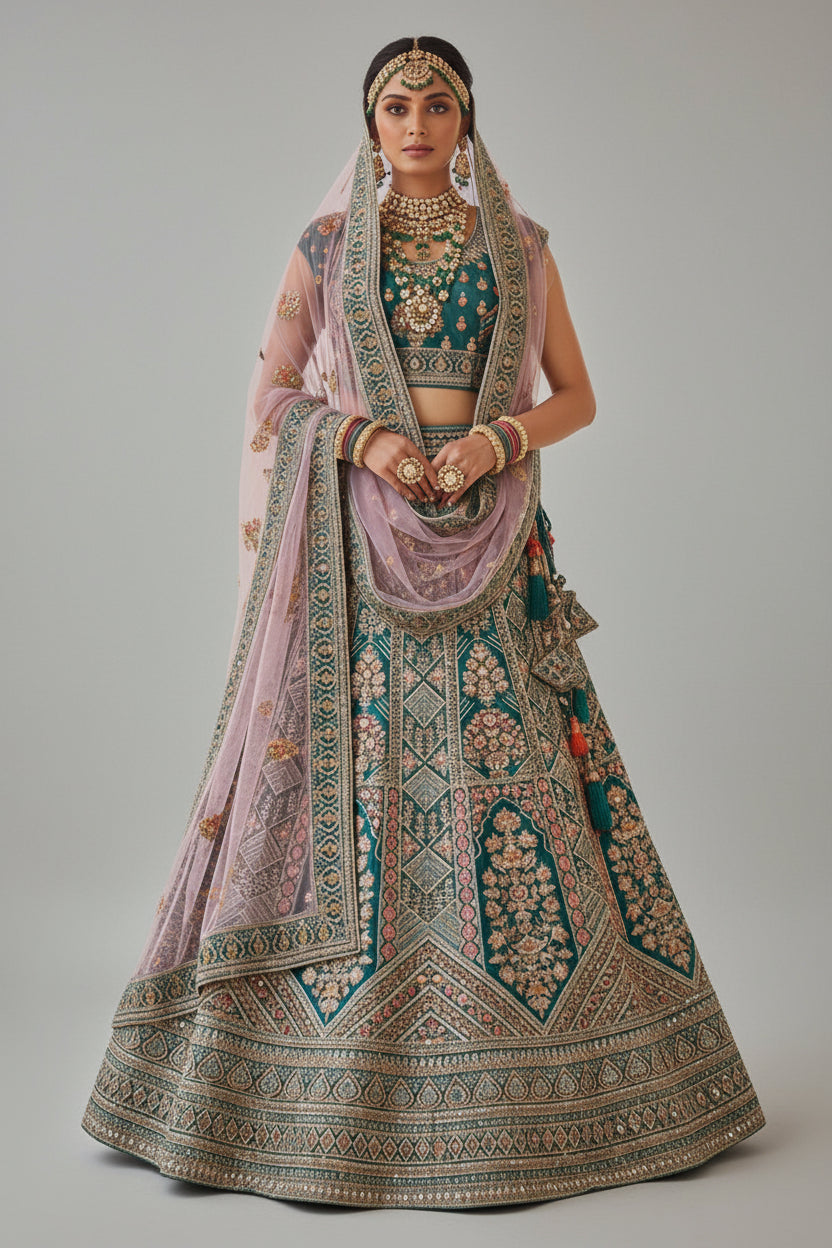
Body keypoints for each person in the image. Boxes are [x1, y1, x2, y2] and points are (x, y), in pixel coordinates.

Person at [82, 35, 765, 1209]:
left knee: (515, 781)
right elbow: (273, 394)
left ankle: (539, 1080)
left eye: (435, 104)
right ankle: (313, 1081)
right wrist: (365, 440)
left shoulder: (521, 245)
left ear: (466, 119)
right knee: (364, 782)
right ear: (369, 122)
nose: (414, 123)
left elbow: (575, 395)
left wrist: (496, 442)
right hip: (361, 544)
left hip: (490, 542)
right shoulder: (327, 247)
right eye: (394, 105)